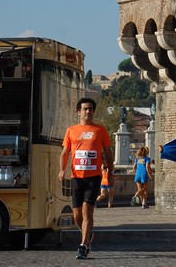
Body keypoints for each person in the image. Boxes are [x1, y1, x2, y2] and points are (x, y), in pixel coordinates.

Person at [59, 97, 114, 260]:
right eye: (85, 109)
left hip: (94, 177)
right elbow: (65, 153)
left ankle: (83, 245)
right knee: (76, 215)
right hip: (76, 177)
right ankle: (87, 234)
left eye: (90, 109)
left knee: (86, 211)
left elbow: (108, 153)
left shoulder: (100, 130)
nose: (88, 111)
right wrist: (62, 169)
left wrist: (110, 172)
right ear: (79, 112)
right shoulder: (71, 130)